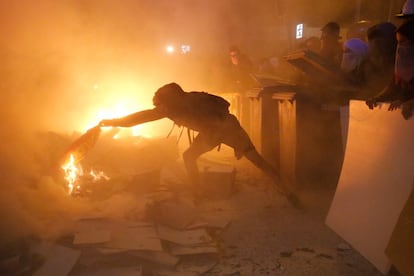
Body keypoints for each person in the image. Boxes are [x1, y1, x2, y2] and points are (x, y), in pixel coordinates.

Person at [99, 82, 300, 207]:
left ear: (168, 100)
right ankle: (289, 193)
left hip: (219, 130)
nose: (159, 108)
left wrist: (113, 122)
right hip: (228, 128)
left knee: (189, 157)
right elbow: (224, 106)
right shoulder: (188, 98)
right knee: (257, 160)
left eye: (160, 103)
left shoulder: (174, 106)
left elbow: (139, 118)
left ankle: (197, 193)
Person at [366, 19, 414, 119]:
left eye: (404, 42)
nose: (400, 47)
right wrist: (377, 98)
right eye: (398, 42)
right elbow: (393, 87)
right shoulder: (401, 65)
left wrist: (409, 103)